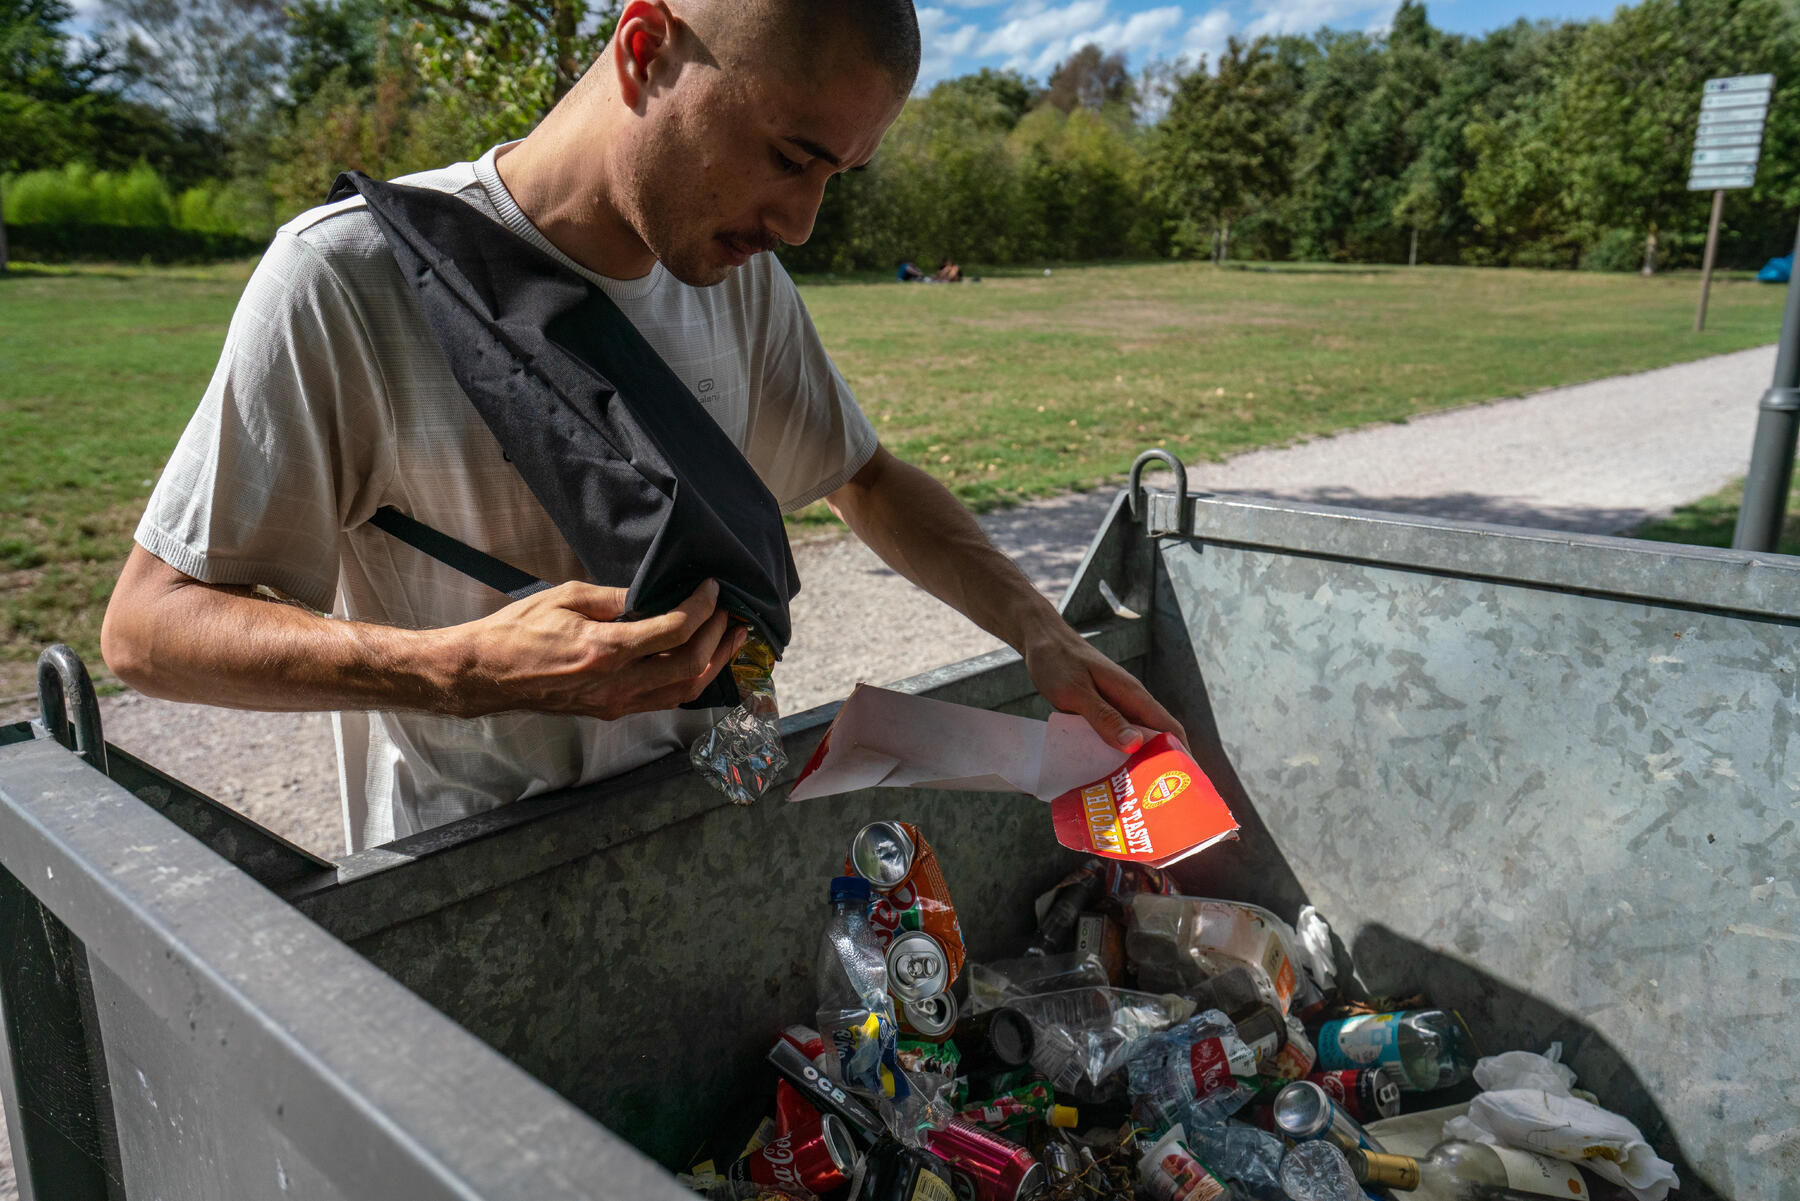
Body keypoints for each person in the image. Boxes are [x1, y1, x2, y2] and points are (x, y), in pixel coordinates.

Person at [100, 0, 1187, 853]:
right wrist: (457, 668)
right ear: (644, 49)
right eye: (791, 155)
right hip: (459, 888)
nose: (803, 223)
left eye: (837, 178)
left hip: (687, 840)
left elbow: (867, 477)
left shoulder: (737, 278)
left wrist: (1037, 629)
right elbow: (148, 630)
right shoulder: (345, 279)